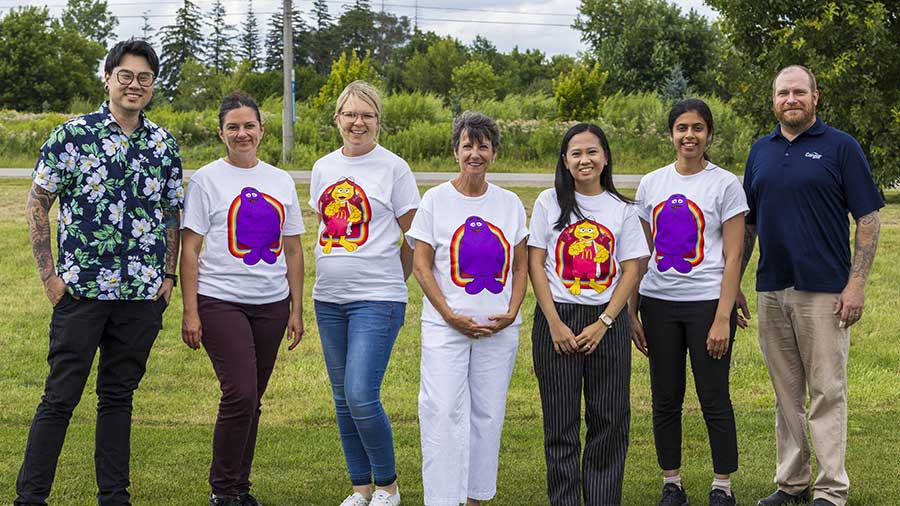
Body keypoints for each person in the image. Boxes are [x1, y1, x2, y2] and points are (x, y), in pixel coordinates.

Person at [17, 39, 182, 506]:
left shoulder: (163, 144)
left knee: (118, 398)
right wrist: (50, 276)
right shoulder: (71, 136)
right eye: (126, 75)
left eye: (144, 78)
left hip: (140, 295)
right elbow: (37, 204)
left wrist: (167, 278)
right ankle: (31, 497)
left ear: (152, 85)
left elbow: (172, 213)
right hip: (81, 291)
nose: (134, 84)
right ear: (108, 79)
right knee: (60, 397)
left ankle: (114, 496)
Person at [742, 65, 882, 506]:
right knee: (786, 395)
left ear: (815, 97)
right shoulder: (759, 152)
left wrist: (856, 284)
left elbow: (869, 218)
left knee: (826, 391)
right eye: (783, 93)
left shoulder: (841, 147)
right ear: (774, 101)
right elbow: (747, 226)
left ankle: (830, 489)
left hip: (824, 291)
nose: (791, 99)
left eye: (799, 92)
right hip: (772, 289)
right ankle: (792, 483)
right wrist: (733, 286)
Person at [180, 92, 306, 506]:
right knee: (240, 392)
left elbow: (293, 249)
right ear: (220, 132)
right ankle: (222, 490)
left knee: (253, 399)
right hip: (220, 300)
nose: (241, 133)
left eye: (249, 125)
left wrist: (296, 309)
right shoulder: (206, 180)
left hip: (271, 303)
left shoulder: (280, 181)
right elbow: (190, 249)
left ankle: (240, 488)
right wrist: (191, 312)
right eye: (233, 127)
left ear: (261, 130)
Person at [630, 98, 749, 506]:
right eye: (682, 128)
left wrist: (722, 316)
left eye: (698, 128)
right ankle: (672, 483)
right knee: (665, 397)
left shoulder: (726, 184)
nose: (689, 136)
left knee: (714, 397)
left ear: (709, 134)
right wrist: (631, 311)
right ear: (671, 134)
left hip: (706, 305)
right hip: (658, 304)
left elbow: (733, 256)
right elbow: (640, 254)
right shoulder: (651, 183)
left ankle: (722, 485)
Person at [407, 111, 528, 506]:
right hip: (446, 328)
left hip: (498, 328)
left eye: (483, 146)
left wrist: (511, 312)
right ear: (455, 150)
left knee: (487, 414)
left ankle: (476, 497)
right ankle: (442, 499)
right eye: (467, 145)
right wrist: (448, 314)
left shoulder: (509, 204)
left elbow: (522, 264)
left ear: (494, 152)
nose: (475, 153)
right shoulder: (435, 201)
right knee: (442, 411)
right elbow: (422, 265)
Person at [309, 80, 420, 506]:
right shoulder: (322, 167)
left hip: (378, 299)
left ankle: (388, 487)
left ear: (378, 122)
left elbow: (416, 236)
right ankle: (360, 488)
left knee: (360, 392)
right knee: (341, 398)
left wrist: (396, 279)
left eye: (367, 115)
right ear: (337, 118)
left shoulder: (394, 168)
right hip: (328, 299)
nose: (358, 122)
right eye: (351, 114)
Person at [528, 123, 649, 505]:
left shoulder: (623, 209)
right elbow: (536, 263)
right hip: (557, 319)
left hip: (606, 321)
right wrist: (554, 323)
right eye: (576, 153)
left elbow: (632, 267)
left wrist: (607, 321)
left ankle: (601, 498)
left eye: (592, 151)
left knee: (609, 421)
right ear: (565, 160)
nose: (585, 159)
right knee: (561, 424)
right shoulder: (549, 202)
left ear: (606, 157)